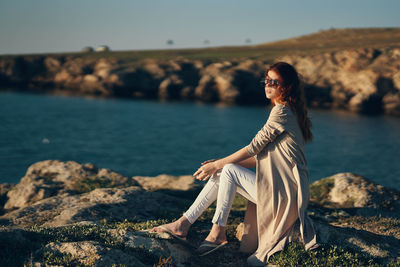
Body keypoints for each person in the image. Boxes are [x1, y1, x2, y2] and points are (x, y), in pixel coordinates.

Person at [151, 62, 318, 266]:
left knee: (227, 169)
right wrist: (219, 166)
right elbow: (261, 158)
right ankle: (183, 224)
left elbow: (254, 147)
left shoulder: (282, 112)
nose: (268, 85)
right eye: (266, 80)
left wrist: (219, 164)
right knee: (224, 171)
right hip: (283, 191)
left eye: (274, 82)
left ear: (286, 86)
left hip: (284, 195)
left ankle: (217, 231)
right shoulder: (290, 111)